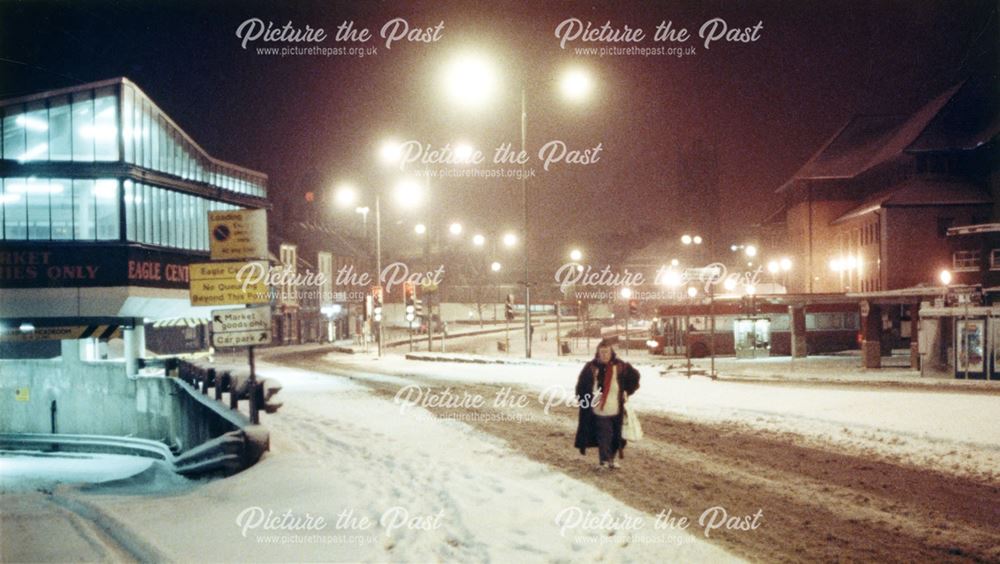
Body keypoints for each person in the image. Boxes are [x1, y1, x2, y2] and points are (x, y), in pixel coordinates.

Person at [574, 339, 640, 470]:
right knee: (605, 435)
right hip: (599, 409)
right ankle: (604, 460)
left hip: (616, 409)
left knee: (617, 436)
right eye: (602, 352)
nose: (604, 355)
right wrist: (585, 401)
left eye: (607, 352)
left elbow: (635, 378)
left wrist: (627, 391)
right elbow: (581, 386)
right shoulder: (591, 367)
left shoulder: (621, 366)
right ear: (598, 353)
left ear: (611, 352)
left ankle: (611, 460)